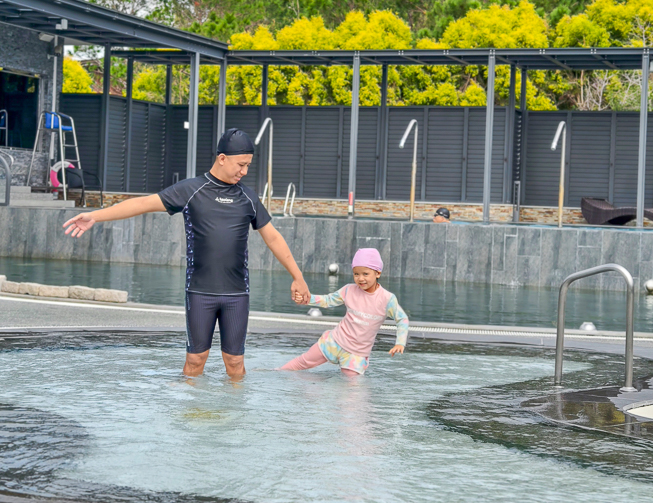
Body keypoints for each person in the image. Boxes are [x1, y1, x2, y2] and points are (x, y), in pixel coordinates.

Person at [62, 128, 310, 380]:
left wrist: (297, 276)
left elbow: (273, 237)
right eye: (241, 164)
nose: (244, 171)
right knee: (195, 360)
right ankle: (191, 415)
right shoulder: (191, 190)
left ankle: (237, 417)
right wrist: (94, 215)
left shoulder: (247, 197)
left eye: (248, 166)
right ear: (222, 158)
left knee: (235, 363)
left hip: (236, 294)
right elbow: (141, 204)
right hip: (200, 292)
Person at [278, 247, 408, 377]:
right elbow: (328, 300)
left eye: (365, 274)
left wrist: (400, 343)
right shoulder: (348, 290)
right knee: (302, 362)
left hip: (356, 354)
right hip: (334, 342)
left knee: (351, 389)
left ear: (378, 273)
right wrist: (306, 299)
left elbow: (402, 319)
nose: (360, 279)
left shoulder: (386, 299)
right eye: (356, 274)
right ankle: (277, 373)